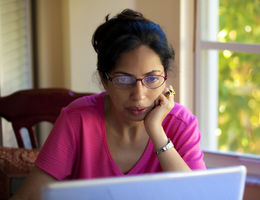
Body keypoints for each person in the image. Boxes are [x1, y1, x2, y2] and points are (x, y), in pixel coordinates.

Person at [11, 9, 206, 200]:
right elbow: (28, 195)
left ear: (165, 77)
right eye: (123, 79)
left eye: (152, 78)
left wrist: (156, 131)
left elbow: (199, 197)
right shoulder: (76, 119)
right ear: (104, 80)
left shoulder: (182, 124)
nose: (139, 96)